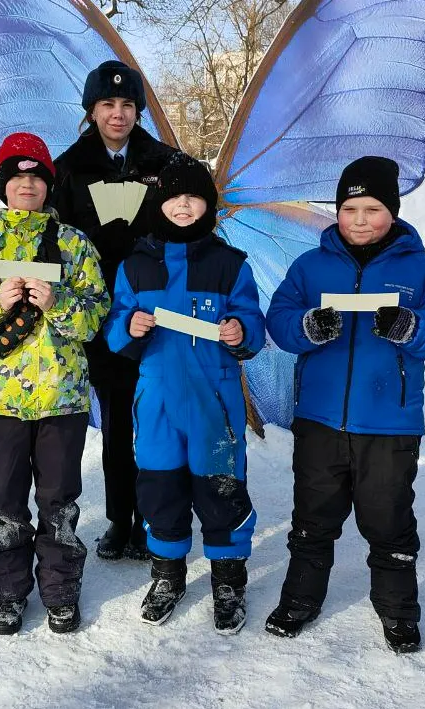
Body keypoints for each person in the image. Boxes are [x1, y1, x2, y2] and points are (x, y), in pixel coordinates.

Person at [262, 156, 425, 652]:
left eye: (373, 208)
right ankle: (300, 600)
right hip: (319, 419)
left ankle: (398, 611)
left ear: (393, 212)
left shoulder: (418, 269)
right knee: (313, 517)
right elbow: (280, 318)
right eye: (350, 208)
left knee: (388, 518)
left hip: (389, 422)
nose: (359, 219)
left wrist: (412, 327)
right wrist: (307, 327)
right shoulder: (311, 266)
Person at [0, 132, 109, 635]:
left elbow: (97, 316)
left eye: (36, 175)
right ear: (3, 185)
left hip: (62, 396)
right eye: (17, 176)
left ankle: (59, 594)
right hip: (0, 401)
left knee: (58, 504)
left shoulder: (75, 244)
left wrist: (59, 306)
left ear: (48, 184)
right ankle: (9, 595)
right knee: (6, 504)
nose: (27, 184)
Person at [102, 153, 265, 634]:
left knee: (221, 490)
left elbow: (253, 323)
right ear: (160, 202)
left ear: (208, 206)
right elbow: (114, 330)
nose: (183, 205)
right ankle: (168, 574)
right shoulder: (135, 265)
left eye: (194, 197)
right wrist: (129, 327)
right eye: (174, 196)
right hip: (156, 403)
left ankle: (228, 579)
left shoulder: (228, 264)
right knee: (159, 490)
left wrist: (241, 331)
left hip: (214, 403)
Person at [51, 60, 177, 561]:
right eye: (108, 104)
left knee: (157, 421)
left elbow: (188, 225)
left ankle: (155, 518)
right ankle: (121, 521)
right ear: (91, 111)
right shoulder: (68, 168)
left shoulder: (165, 162)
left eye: (127, 105)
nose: (118, 114)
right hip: (102, 319)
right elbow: (51, 241)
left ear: (138, 111)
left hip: (159, 313)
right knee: (119, 423)